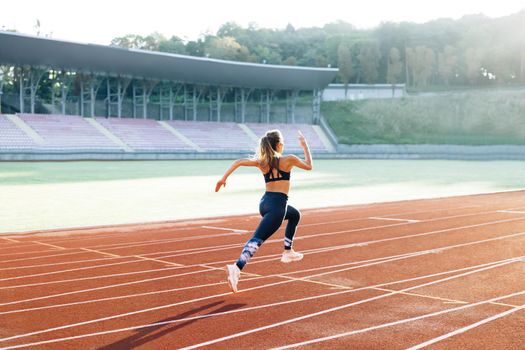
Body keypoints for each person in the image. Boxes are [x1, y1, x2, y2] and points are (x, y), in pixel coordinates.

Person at [215, 129, 313, 293]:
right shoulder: (289, 160)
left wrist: (223, 179)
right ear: (279, 145)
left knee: (294, 214)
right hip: (277, 207)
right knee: (257, 239)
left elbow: (238, 162)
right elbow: (309, 166)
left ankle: (288, 251)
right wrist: (305, 145)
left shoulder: (263, 162)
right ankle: (237, 267)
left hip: (265, 203)